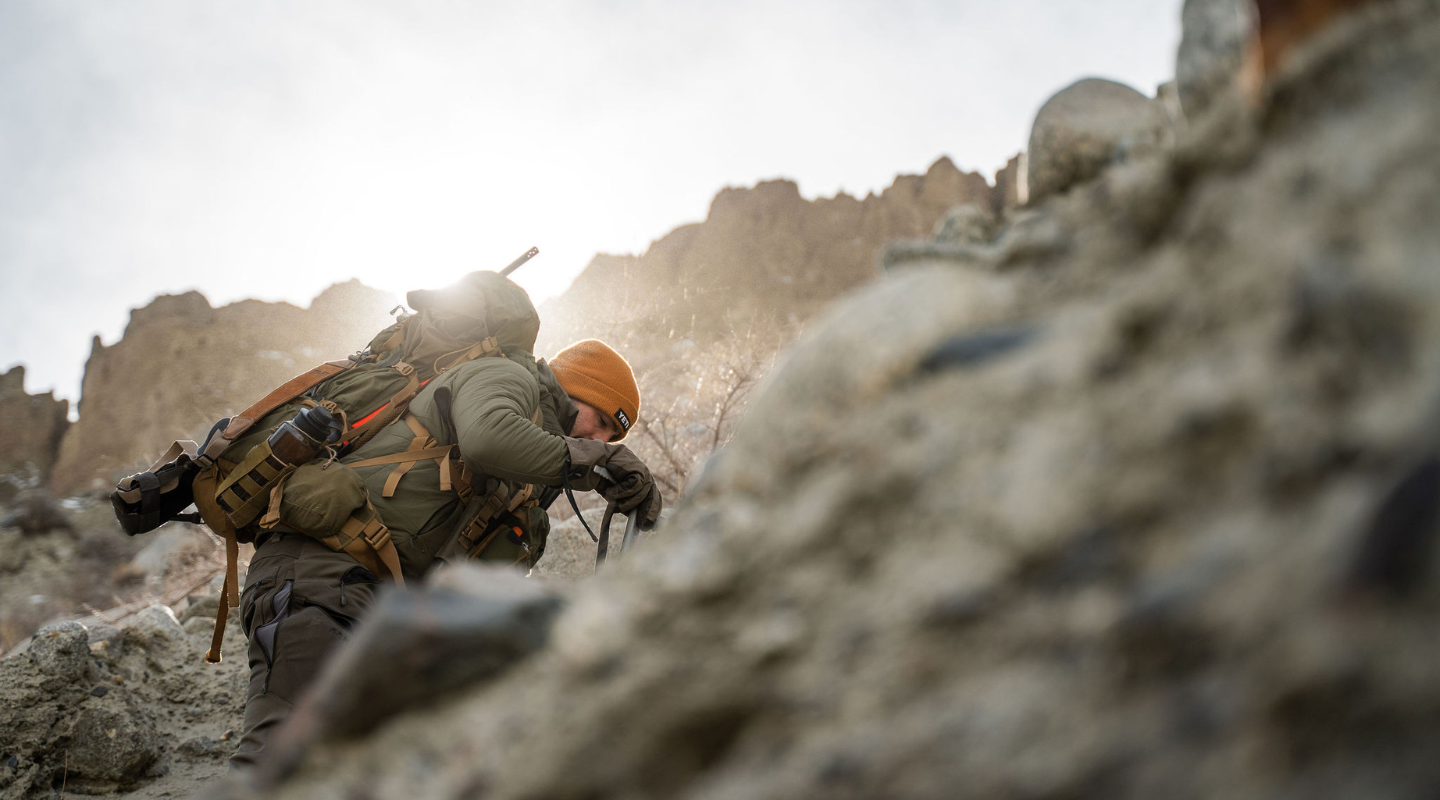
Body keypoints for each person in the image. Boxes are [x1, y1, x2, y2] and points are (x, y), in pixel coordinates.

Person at [228, 272, 661, 768]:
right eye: (601, 421)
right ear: (573, 389)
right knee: (278, 762)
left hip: (371, 603)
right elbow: (488, 438)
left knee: (342, 772)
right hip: (318, 573)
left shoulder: (525, 487)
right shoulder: (506, 376)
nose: (600, 438)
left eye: (610, 436)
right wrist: (597, 463)